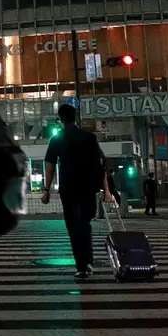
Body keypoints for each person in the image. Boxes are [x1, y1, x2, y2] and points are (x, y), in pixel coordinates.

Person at [42, 104, 114, 280]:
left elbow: (50, 167)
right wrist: (107, 190)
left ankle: (82, 265)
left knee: (73, 227)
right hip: (88, 188)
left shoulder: (57, 138)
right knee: (84, 224)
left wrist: (46, 190)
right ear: (75, 117)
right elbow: (101, 164)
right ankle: (87, 261)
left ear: (60, 119)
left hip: (68, 189)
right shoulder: (89, 137)